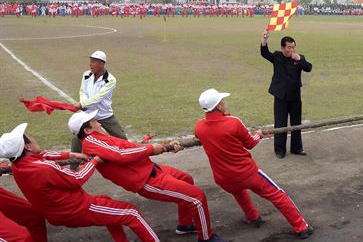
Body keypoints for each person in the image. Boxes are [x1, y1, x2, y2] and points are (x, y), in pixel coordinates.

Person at [69, 110, 227, 242]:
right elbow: (121, 154)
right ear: (87, 130)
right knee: (197, 198)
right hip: (147, 179)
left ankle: (184, 225)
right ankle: (206, 238)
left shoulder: (100, 138)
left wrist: (166, 147)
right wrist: (152, 149)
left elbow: (130, 147)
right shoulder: (92, 142)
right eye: (94, 121)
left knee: (186, 179)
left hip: (151, 169)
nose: (99, 122)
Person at [0, 123, 160, 242]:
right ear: (27, 146)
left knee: (108, 204)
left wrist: (71, 154)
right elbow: (77, 178)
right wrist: (95, 160)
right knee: (131, 213)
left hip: (59, 212)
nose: (34, 139)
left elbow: (43, 154)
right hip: (78, 209)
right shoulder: (43, 168)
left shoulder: (18, 165)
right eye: (30, 138)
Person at [195, 88, 314, 239]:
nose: (224, 103)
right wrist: (258, 134)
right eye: (222, 102)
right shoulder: (233, 122)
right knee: (278, 195)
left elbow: (206, 133)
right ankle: (302, 227)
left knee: (239, 192)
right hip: (247, 173)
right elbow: (250, 143)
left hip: (223, 178)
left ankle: (252, 217)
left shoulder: (199, 126)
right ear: (218, 106)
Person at [260, 31, 313, 158]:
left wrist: (300, 59)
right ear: (283, 48)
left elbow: (309, 68)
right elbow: (265, 53)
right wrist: (264, 40)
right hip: (280, 96)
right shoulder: (277, 56)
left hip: (295, 96)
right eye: (289, 47)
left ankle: (296, 148)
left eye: (293, 47)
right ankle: (280, 150)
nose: (292, 49)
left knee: (296, 122)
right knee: (280, 123)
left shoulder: (299, 57)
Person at [71, 51, 127, 159]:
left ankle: (129, 159)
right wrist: (83, 104)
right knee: (76, 139)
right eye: (90, 61)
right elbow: (82, 91)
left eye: (93, 62)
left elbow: (99, 97)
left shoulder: (110, 80)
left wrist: (83, 103)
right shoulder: (86, 74)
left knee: (122, 138)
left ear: (101, 64)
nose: (90, 64)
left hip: (104, 114)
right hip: (88, 115)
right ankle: (73, 166)